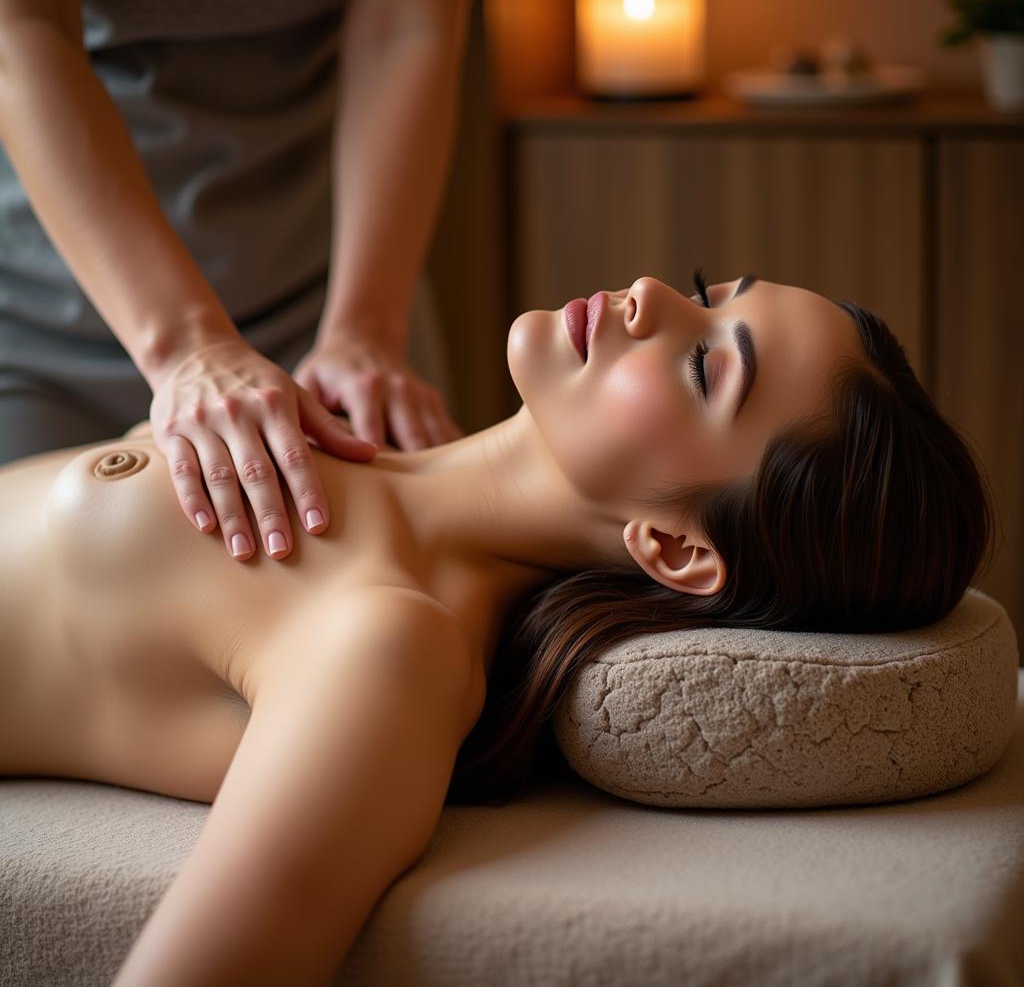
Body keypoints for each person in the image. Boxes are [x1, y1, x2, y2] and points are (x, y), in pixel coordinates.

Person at [0, 273, 993, 985]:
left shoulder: (390, 646)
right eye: (707, 288)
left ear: (677, 549)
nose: (649, 291)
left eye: (702, 364)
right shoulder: (363, 428)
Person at [0, 0, 473, 566]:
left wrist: (367, 331)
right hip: (40, 311)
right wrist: (187, 348)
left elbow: (408, 24)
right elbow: (20, 32)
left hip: (330, 290)